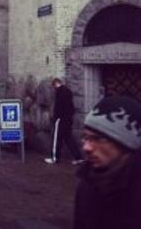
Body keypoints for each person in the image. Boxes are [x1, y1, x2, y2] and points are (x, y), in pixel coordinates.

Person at [74, 96, 141, 229]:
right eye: (85, 137)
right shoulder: (87, 184)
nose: (86, 147)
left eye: (98, 139)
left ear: (125, 143)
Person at [44, 78, 83, 165]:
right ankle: (78, 157)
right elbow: (71, 107)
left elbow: (58, 106)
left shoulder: (59, 92)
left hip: (61, 119)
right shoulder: (68, 92)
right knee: (68, 138)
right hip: (68, 119)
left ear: (55, 84)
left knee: (57, 138)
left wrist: (56, 117)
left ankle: (55, 158)